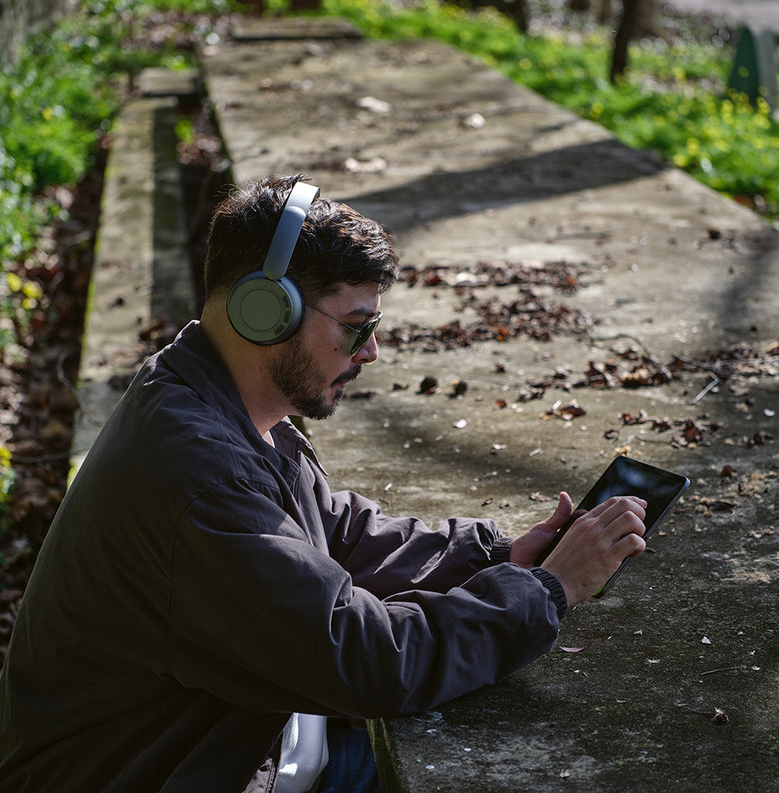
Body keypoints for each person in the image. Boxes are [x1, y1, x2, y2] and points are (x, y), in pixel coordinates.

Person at [0, 174, 647, 793]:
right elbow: (370, 660)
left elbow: (333, 532)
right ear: (266, 311)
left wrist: (496, 556)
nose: (370, 352)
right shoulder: (200, 477)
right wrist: (546, 592)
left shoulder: (210, 398)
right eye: (355, 325)